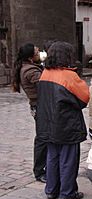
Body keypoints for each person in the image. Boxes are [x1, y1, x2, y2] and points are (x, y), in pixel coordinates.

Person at [36, 41, 89, 199]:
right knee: (68, 159)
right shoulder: (69, 76)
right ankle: (67, 192)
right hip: (67, 124)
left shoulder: (44, 73)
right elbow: (84, 98)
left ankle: (51, 189)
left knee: (52, 157)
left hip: (48, 123)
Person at [12, 43, 47, 183]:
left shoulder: (30, 67)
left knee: (43, 138)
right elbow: (45, 87)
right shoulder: (31, 71)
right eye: (37, 52)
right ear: (31, 57)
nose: (40, 54)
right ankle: (39, 171)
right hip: (40, 106)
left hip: (38, 106)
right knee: (42, 139)